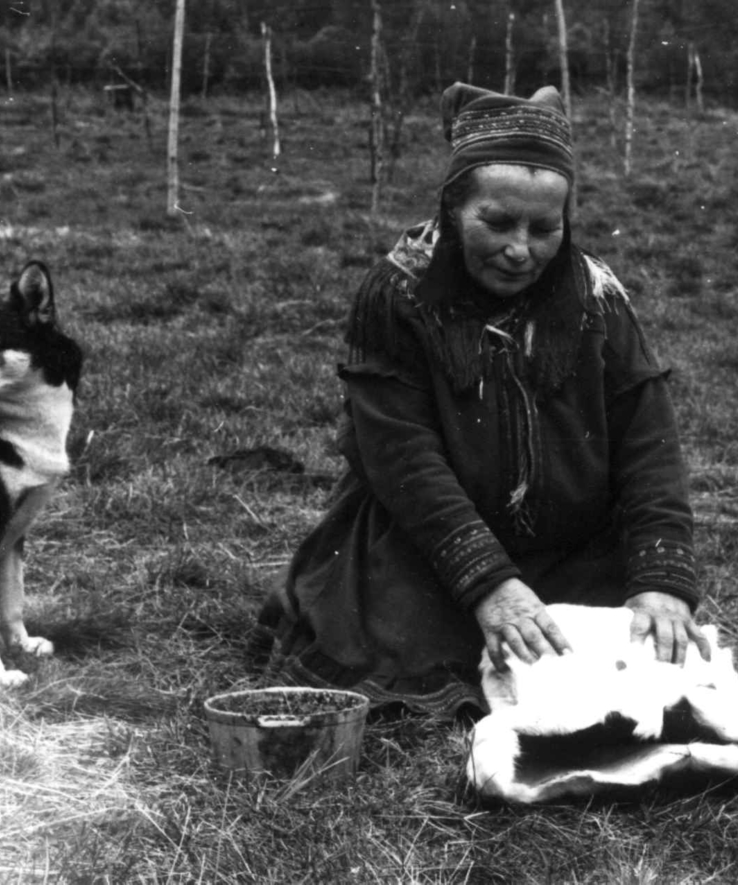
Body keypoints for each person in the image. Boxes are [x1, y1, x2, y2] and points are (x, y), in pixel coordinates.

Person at [254, 83, 710, 719]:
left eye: (545, 228)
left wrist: (662, 579)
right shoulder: (399, 294)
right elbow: (402, 459)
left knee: (643, 663)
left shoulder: (598, 295)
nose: (521, 249)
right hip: (426, 544)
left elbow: (648, 441)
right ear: (451, 208)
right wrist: (488, 585)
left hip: (574, 546)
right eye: (496, 223)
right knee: (396, 650)